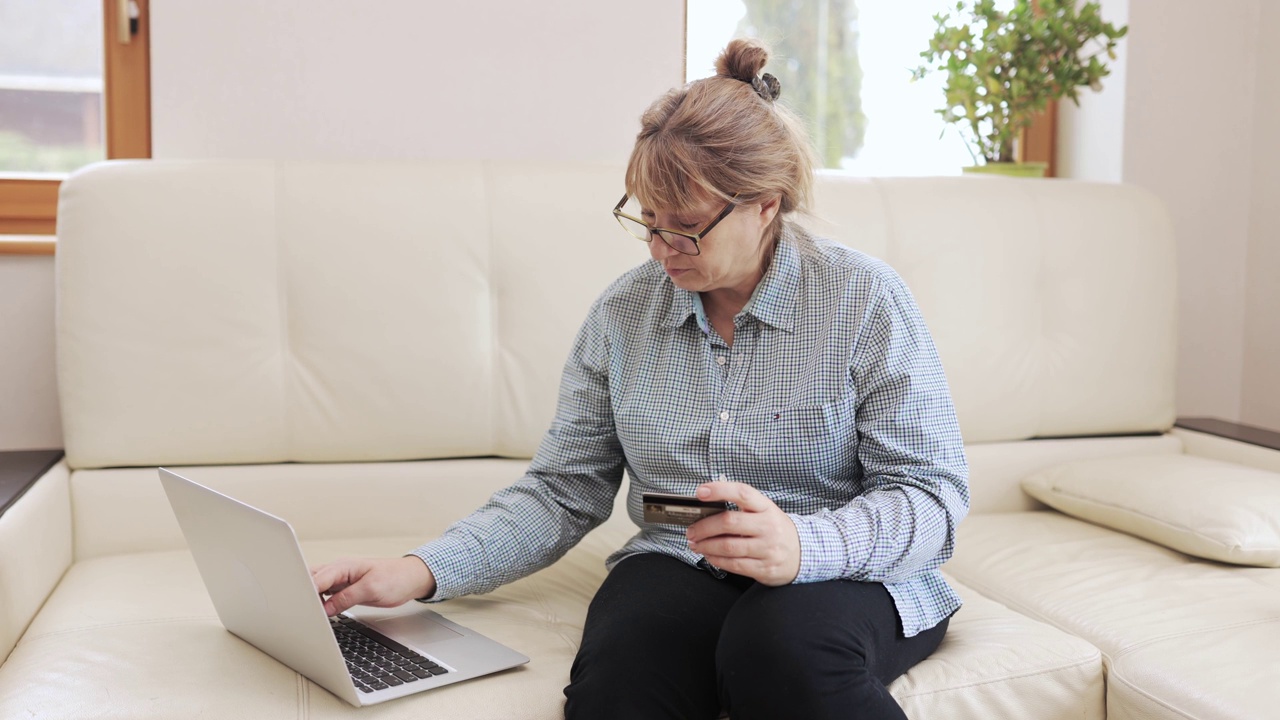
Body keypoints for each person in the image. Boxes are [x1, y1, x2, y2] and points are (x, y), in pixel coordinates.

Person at [310, 38, 969, 720]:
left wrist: (804, 546)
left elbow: (931, 495)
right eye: (647, 223)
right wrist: (418, 571)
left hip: (848, 572)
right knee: (616, 686)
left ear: (766, 204)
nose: (661, 251)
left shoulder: (863, 300)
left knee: (776, 649)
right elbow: (564, 489)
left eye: (686, 229)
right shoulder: (625, 313)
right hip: (677, 560)